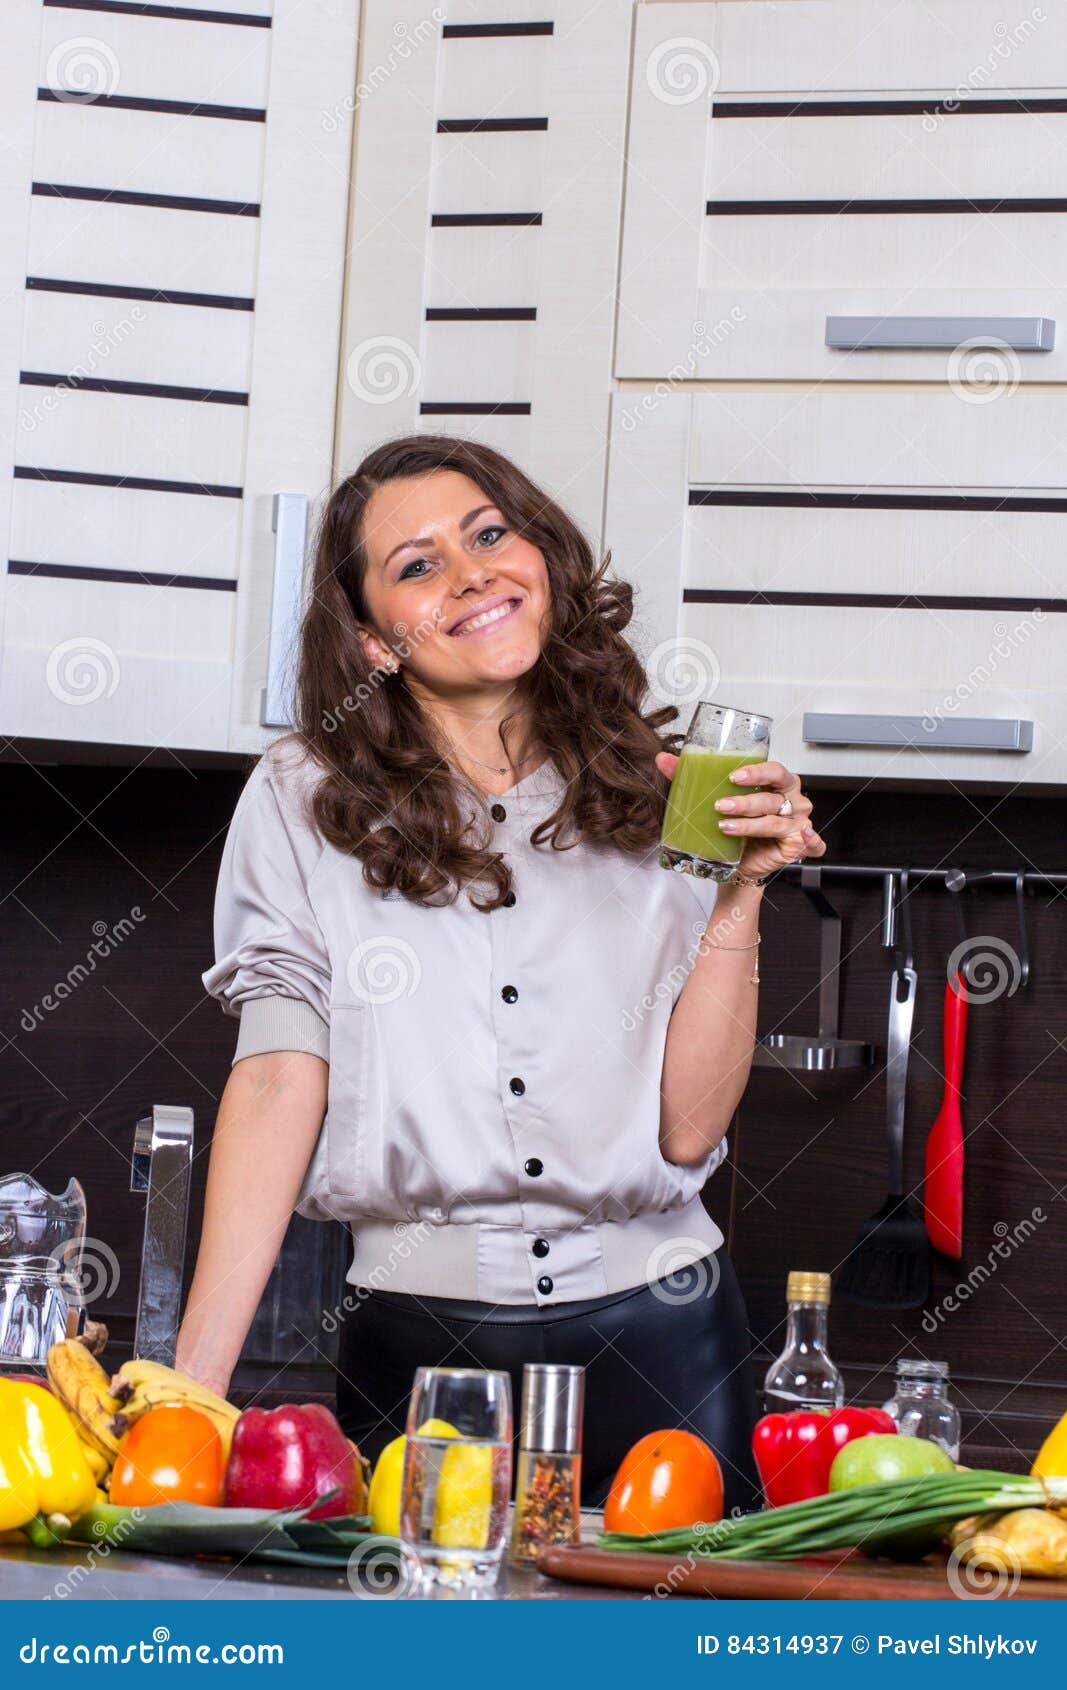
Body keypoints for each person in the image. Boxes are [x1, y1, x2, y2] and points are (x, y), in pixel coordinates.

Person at [178, 434, 826, 1515]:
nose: (472, 571)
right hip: (419, 1349)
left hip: (664, 1335)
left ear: (542, 558)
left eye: (488, 534)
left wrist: (738, 896)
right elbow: (281, 1076)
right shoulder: (303, 797)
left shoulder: (660, 786)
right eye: (416, 563)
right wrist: (193, 1394)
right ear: (372, 636)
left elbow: (682, 1131)